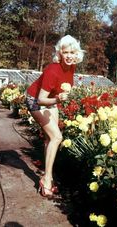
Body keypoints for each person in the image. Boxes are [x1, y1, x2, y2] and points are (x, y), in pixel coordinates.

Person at [25, 35, 85, 198]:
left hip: (51, 100)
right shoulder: (53, 70)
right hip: (35, 100)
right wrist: (58, 99)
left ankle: (48, 175)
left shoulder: (71, 66)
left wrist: (62, 95)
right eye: (65, 52)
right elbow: (40, 99)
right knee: (57, 137)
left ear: (77, 53)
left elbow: (62, 87)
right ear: (59, 53)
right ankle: (47, 179)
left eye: (72, 52)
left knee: (49, 139)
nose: (69, 56)